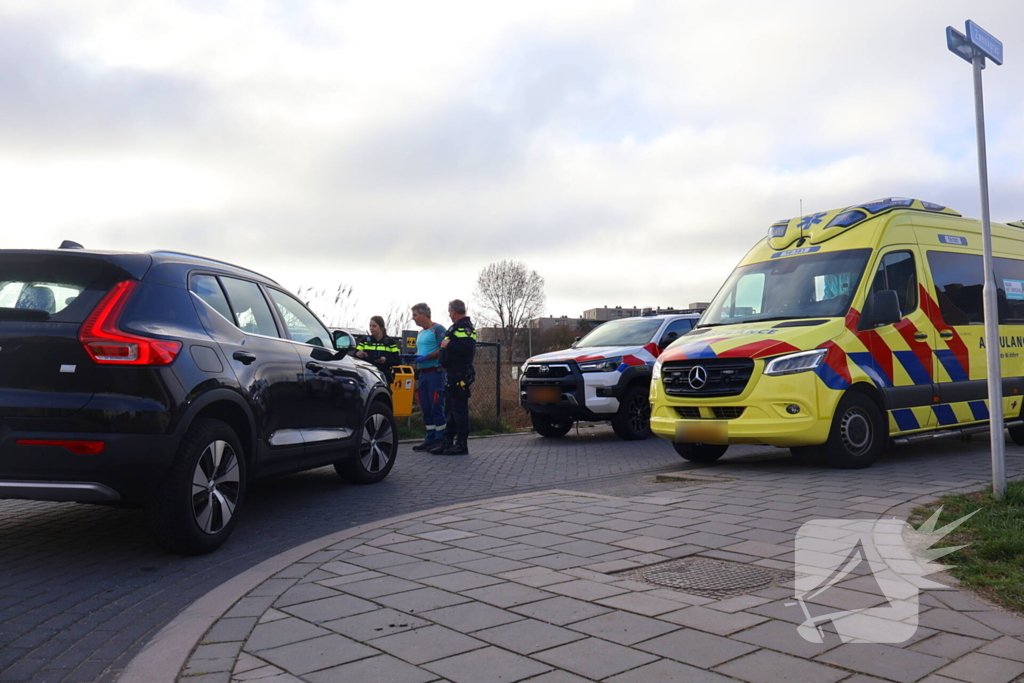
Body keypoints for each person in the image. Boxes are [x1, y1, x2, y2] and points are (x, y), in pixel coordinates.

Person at [430, 299, 477, 456]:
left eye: (450, 311)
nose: (449, 314)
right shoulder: (455, 327)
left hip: (460, 372)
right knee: (449, 408)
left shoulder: (465, 327)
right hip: (451, 373)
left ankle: (461, 444)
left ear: (454, 312)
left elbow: (467, 350)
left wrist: (448, 345)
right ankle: (448, 441)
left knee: (459, 409)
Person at [410, 303, 447, 452]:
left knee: (436, 405)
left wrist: (427, 357)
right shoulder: (420, 333)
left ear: (423, 314)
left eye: (415, 315)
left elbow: (443, 349)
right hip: (423, 374)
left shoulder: (438, 329)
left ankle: (441, 438)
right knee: (426, 407)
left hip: (435, 373)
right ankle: (430, 438)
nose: (413, 318)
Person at [355, 316, 400, 385]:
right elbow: (354, 356)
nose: (371, 328)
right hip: (366, 375)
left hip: (383, 376)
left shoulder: (390, 342)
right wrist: (359, 354)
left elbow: (398, 361)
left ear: (381, 328)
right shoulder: (365, 340)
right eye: (370, 326)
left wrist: (385, 360)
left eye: (374, 326)